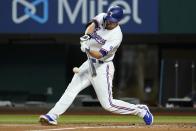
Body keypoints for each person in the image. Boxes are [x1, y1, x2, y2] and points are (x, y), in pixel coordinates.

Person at [39, 5, 153, 126]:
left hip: (103, 67)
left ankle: (140, 111)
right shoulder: (103, 17)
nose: (109, 21)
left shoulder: (116, 36)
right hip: (89, 64)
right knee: (71, 90)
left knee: (108, 105)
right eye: (109, 18)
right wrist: (86, 37)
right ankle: (52, 115)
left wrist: (87, 48)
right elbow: (91, 26)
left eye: (112, 20)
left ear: (118, 21)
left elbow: (99, 54)